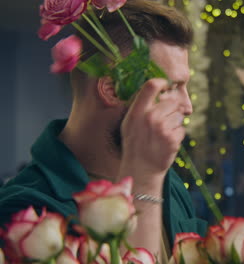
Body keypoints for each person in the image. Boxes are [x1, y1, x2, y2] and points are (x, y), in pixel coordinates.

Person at [0, 0, 207, 262]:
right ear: (111, 89)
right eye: (170, 88)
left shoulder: (170, 184)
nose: (187, 107)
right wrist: (144, 183)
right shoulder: (23, 212)